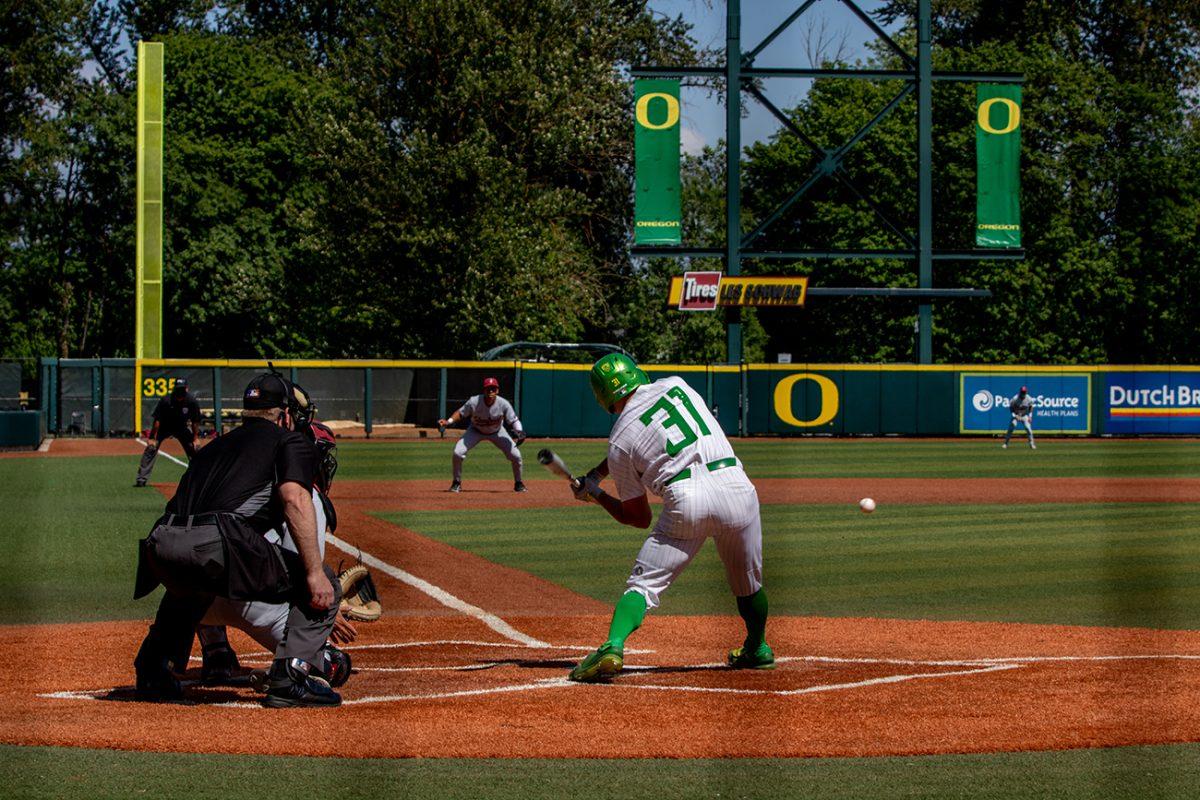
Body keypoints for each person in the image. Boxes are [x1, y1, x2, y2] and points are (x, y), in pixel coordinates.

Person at [132, 371, 343, 708]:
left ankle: (153, 669)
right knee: (322, 581)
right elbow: (293, 499)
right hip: (216, 544)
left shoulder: (215, 447)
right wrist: (314, 574)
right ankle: (291, 677)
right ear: (285, 415)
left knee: (192, 580)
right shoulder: (287, 440)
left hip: (161, 544)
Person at [566, 353, 772, 682]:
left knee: (643, 586)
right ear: (636, 374)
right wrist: (597, 474)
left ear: (602, 396)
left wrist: (598, 495)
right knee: (746, 581)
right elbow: (656, 430)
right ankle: (757, 647)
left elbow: (638, 516)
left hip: (688, 499)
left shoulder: (618, 440)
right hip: (737, 488)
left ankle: (613, 646)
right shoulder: (677, 385)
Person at [196, 418, 356, 691]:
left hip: (198, 604)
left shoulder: (238, 483)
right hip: (253, 606)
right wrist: (328, 612)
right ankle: (284, 675)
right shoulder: (305, 496)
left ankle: (217, 654)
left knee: (210, 560)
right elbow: (304, 576)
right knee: (335, 664)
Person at [437, 376, 528, 493]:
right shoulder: (474, 401)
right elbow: (461, 413)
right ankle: (456, 483)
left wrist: (519, 431)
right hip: (475, 431)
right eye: (488, 389)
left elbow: (513, 420)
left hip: (497, 432)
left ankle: (519, 483)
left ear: (497, 390)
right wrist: (448, 421)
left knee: (516, 456)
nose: (491, 391)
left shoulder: (503, 404)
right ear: (483, 390)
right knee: (457, 453)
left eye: (493, 389)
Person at [134, 378, 201, 487]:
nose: (180, 392)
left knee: (195, 449)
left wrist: (195, 439)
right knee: (151, 448)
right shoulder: (166, 400)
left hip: (181, 427)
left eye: (182, 389)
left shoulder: (191, 402)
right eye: (178, 389)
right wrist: (152, 438)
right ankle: (141, 479)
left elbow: (195, 422)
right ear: (174, 389)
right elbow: (157, 421)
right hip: (164, 427)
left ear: (187, 389)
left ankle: (199, 477)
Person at [1003, 385, 1036, 449]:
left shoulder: (1028, 398)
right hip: (1016, 414)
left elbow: (1031, 406)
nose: (1023, 393)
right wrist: (1014, 415)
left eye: (1024, 392)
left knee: (1028, 428)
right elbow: (1011, 407)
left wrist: (1030, 416)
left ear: (1026, 392)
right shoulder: (1015, 398)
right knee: (1012, 426)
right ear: (1020, 392)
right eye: (1022, 392)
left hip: (1024, 415)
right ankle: (1005, 444)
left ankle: (1032, 444)